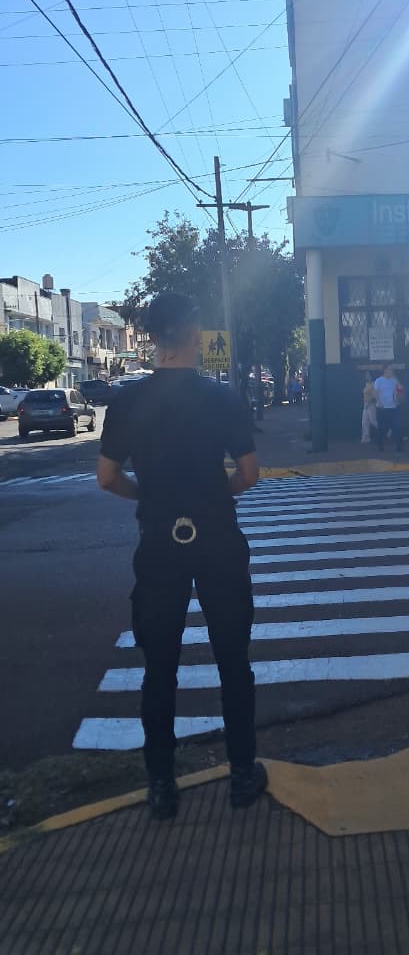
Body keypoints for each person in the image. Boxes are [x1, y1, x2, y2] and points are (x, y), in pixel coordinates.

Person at [97, 293, 266, 821]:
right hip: (216, 536)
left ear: (150, 339)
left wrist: (148, 500)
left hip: (158, 543)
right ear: (196, 335)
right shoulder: (222, 399)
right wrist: (217, 494)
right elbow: (249, 473)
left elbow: (106, 478)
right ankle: (242, 776)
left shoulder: (126, 401)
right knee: (233, 662)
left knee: (160, 668)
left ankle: (162, 786)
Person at [373, 364, 403, 452]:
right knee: (381, 428)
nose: (391, 371)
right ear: (385, 370)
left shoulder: (394, 381)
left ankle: (399, 447)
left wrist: (397, 398)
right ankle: (380, 446)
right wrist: (379, 401)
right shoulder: (379, 380)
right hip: (382, 408)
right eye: (390, 369)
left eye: (392, 370)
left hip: (392, 407)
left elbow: (400, 389)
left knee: (397, 426)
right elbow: (375, 392)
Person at [361, 370, 377, 443]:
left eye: (368, 374)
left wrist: (369, 403)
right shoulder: (366, 384)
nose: (367, 376)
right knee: (364, 422)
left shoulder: (374, 384)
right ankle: (366, 438)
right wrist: (366, 404)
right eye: (366, 374)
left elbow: (374, 396)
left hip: (371, 404)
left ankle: (387, 431)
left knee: (373, 421)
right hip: (365, 404)